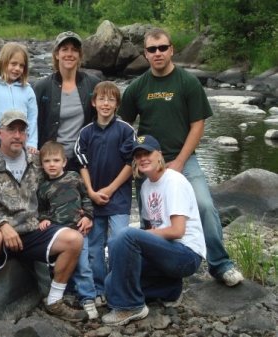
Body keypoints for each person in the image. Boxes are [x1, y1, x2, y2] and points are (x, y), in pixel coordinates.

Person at [118, 27, 244, 287]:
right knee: (148, 218)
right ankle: (155, 274)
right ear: (145, 53)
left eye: (162, 47)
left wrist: (179, 162)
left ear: (171, 49)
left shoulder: (187, 82)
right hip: (148, 163)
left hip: (183, 159)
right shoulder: (137, 87)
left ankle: (220, 264)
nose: (158, 53)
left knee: (205, 206)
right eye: (152, 49)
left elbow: (198, 125)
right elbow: (124, 126)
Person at [0, 110, 88, 331]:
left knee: (74, 239)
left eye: (22, 130)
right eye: (11, 129)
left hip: (31, 232)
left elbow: (59, 185)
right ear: (0, 132)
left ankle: (54, 300)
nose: (17, 135)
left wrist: (84, 212)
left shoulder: (37, 160)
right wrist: (2, 225)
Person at [102, 135, 206, 326]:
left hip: (186, 255)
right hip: (164, 253)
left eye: (147, 153)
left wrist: (139, 236)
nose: (142, 158)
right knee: (111, 283)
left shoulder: (174, 181)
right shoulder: (146, 187)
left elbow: (177, 231)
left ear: (159, 155)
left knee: (126, 235)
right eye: (138, 155)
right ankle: (170, 289)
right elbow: (151, 228)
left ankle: (131, 306)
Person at [75, 81, 136, 307]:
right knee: (94, 246)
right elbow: (81, 164)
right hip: (94, 200)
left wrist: (109, 189)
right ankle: (98, 288)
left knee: (119, 241)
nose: (106, 104)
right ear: (94, 102)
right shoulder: (85, 133)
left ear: (117, 104)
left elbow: (131, 162)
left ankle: (116, 287)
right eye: (102, 99)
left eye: (111, 99)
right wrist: (90, 192)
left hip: (118, 198)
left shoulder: (126, 130)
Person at [37, 141, 98, 319]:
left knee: (83, 266)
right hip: (58, 235)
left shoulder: (74, 177)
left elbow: (86, 198)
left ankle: (88, 298)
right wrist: (43, 219)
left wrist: (88, 216)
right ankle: (68, 295)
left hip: (79, 230)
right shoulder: (43, 187)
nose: (52, 164)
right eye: (47, 161)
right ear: (42, 165)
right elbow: (41, 209)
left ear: (64, 162)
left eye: (56, 160)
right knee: (61, 267)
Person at [34, 31, 100, 172]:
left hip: (84, 160)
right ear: (57, 54)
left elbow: (106, 116)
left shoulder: (93, 84)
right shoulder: (42, 87)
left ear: (80, 55)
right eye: (64, 49)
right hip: (52, 163)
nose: (69, 54)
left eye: (74, 50)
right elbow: (30, 122)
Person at [0, 42, 38, 158]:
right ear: (3, 62)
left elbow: (33, 119)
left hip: (21, 145)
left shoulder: (28, 90)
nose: (17, 69)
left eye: (21, 65)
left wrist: (32, 143)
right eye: (13, 64)